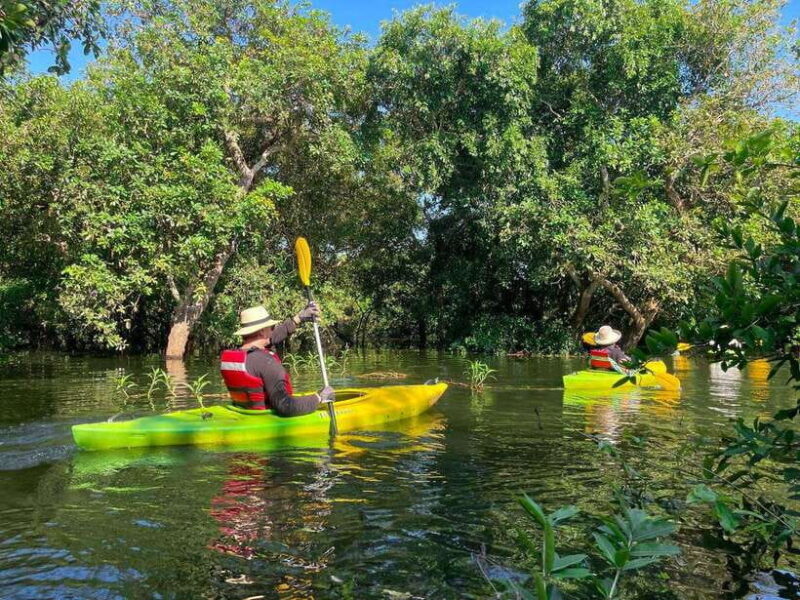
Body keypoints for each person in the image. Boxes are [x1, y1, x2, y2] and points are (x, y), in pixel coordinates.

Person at [220, 304, 334, 416]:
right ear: (261, 331)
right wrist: (319, 398)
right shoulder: (266, 362)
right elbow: (285, 405)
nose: (272, 331)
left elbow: (271, 338)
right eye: (271, 328)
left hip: (242, 414)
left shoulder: (230, 358)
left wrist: (298, 319)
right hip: (265, 420)